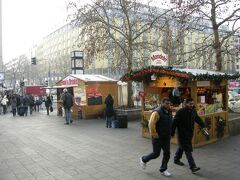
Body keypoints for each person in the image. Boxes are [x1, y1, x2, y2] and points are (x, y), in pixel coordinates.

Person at [171, 97, 207, 173]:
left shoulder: (193, 111)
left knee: (182, 147)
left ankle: (176, 159)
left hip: (190, 133)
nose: (191, 105)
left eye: (192, 104)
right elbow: (174, 123)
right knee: (188, 150)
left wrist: (203, 126)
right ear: (186, 103)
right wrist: (172, 132)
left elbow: (197, 119)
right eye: (190, 104)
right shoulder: (180, 112)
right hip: (182, 134)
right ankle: (193, 166)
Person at [140, 97, 173, 177]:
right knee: (156, 154)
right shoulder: (157, 112)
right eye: (167, 104)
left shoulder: (169, 111)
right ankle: (144, 159)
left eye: (169, 104)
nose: (168, 105)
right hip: (158, 137)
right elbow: (151, 124)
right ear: (162, 103)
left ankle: (163, 169)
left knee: (167, 153)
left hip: (166, 137)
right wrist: (155, 134)